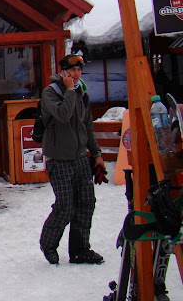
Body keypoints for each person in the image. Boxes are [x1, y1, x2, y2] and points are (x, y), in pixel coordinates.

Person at [39, 54, 106, 265]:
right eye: (72, 70)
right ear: (63, 71)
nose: (76, 75)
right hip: (58, 159)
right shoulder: (51, 93)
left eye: (79, 71)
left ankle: (80, 249)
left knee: (86, 203)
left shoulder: (81, 92)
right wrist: (69, 91)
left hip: (79, 158)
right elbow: (63, 115)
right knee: (65, 206)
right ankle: (48, 244)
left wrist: (97, 154)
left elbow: (87, 127)